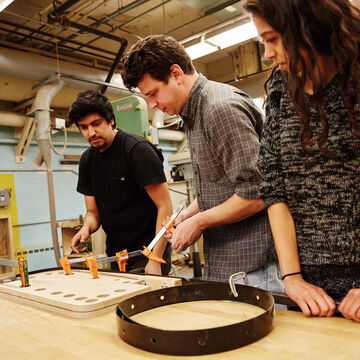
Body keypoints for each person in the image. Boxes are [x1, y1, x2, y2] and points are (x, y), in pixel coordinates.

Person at [121, 34, 283, 292]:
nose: (152, 105)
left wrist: (199, 222)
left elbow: (257, 193)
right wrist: (188, 214)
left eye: (153, 94)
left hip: (253, 268)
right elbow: (226, 183)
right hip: (227, 265)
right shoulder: (194, 114)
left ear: (176, 74)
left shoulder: (219, 109)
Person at [244, 0, 360, 322]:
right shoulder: (282, 86)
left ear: (307, 29)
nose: (267, 53)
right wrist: (292, 278)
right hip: (307, 289)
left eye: (272, 39)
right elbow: (274, 185)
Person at [68, 90, 173, 275]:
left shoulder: (136, 150)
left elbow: (165, 207)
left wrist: (155, 259)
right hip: (117, 255)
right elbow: (93, 212)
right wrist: (86, 228)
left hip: (148, 253)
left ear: (111, 120)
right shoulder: (87, 160)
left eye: (96, 124)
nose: (91, 132)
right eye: (83, 127)